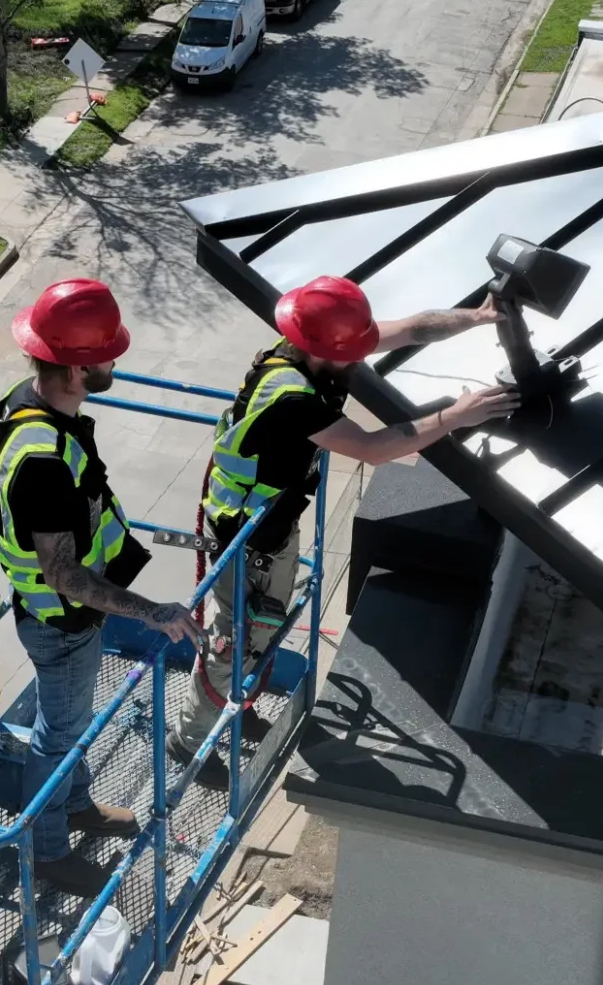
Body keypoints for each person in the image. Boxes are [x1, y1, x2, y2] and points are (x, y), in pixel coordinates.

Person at [171, 276, 518, 758]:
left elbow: (412, 330)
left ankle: (237, 709)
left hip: (265, 528)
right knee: (230, 647)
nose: (361, 359)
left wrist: (476, 317)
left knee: (257, 633)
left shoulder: (308, 348)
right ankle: (187, 745)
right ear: (323, 348)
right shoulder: (295, 400)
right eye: (353, 353)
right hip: (246, 540)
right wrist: (455, 416)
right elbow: (375, 448)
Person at [0, 278, 201, 899]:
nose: (114, 362)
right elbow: (65, 575)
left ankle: (77, 806)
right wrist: (150, 611)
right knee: (58, 739)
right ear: (80, 369)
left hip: (63, 613)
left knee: (72, 728)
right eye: (107, 356)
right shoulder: (45, 460)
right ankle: (47, 850)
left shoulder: (30, 402)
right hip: (61, 621)